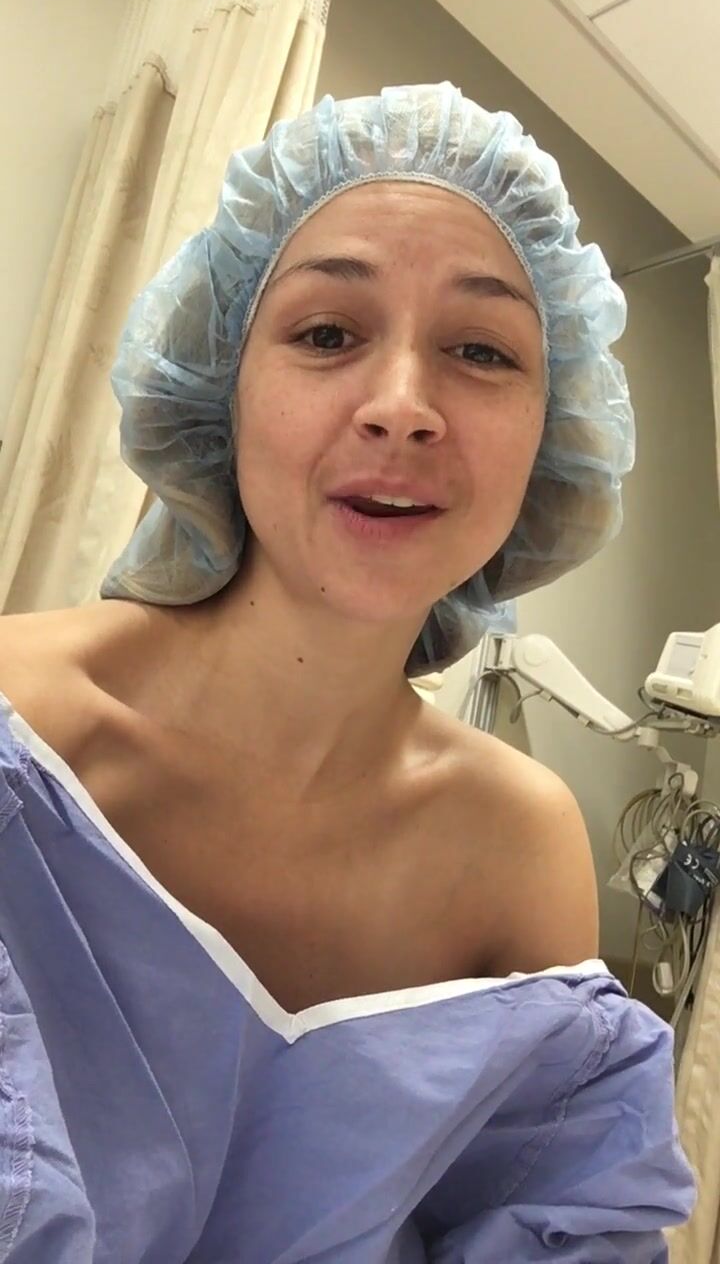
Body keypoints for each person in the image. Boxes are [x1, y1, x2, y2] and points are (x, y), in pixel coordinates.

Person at [0, 82, 694, 1261]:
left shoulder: (518, 846)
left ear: (553, 431)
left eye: (481, 350)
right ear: (222, 383)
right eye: (327, 334)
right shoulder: (23, 733)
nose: (402, 408)